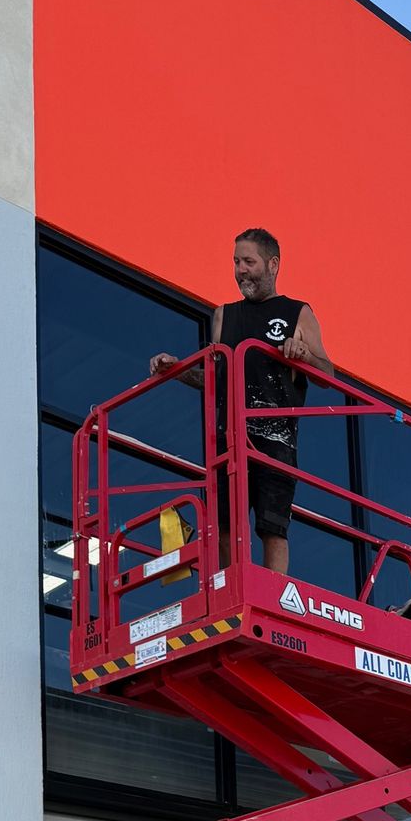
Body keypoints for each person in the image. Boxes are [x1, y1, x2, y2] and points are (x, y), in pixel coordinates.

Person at [149, 228, 331, 574]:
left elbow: (328, 374)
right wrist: (176, 370)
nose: (241, 270)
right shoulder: (224, 315)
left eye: (249, 261)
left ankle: (273, 596)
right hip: (228, 438)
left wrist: (303, 354)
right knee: (225, 524)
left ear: (273, 264)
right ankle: (227, 589)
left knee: (272, 528)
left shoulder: (297, 312)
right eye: (236, 262)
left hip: (276, 441)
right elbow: (214, 379)